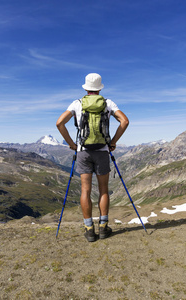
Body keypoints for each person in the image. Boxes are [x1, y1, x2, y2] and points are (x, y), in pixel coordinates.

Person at [56, 73, 129, 242]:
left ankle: (89, 229)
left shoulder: (77, 104)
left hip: (83, 151)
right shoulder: (108, 103)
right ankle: (103, 227)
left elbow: (60, 123)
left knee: (85, 190)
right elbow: (124, 121)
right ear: (100, 87)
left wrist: (71, 144)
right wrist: (113, 142)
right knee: (103, 190)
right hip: (103, 151)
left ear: (86, 87)